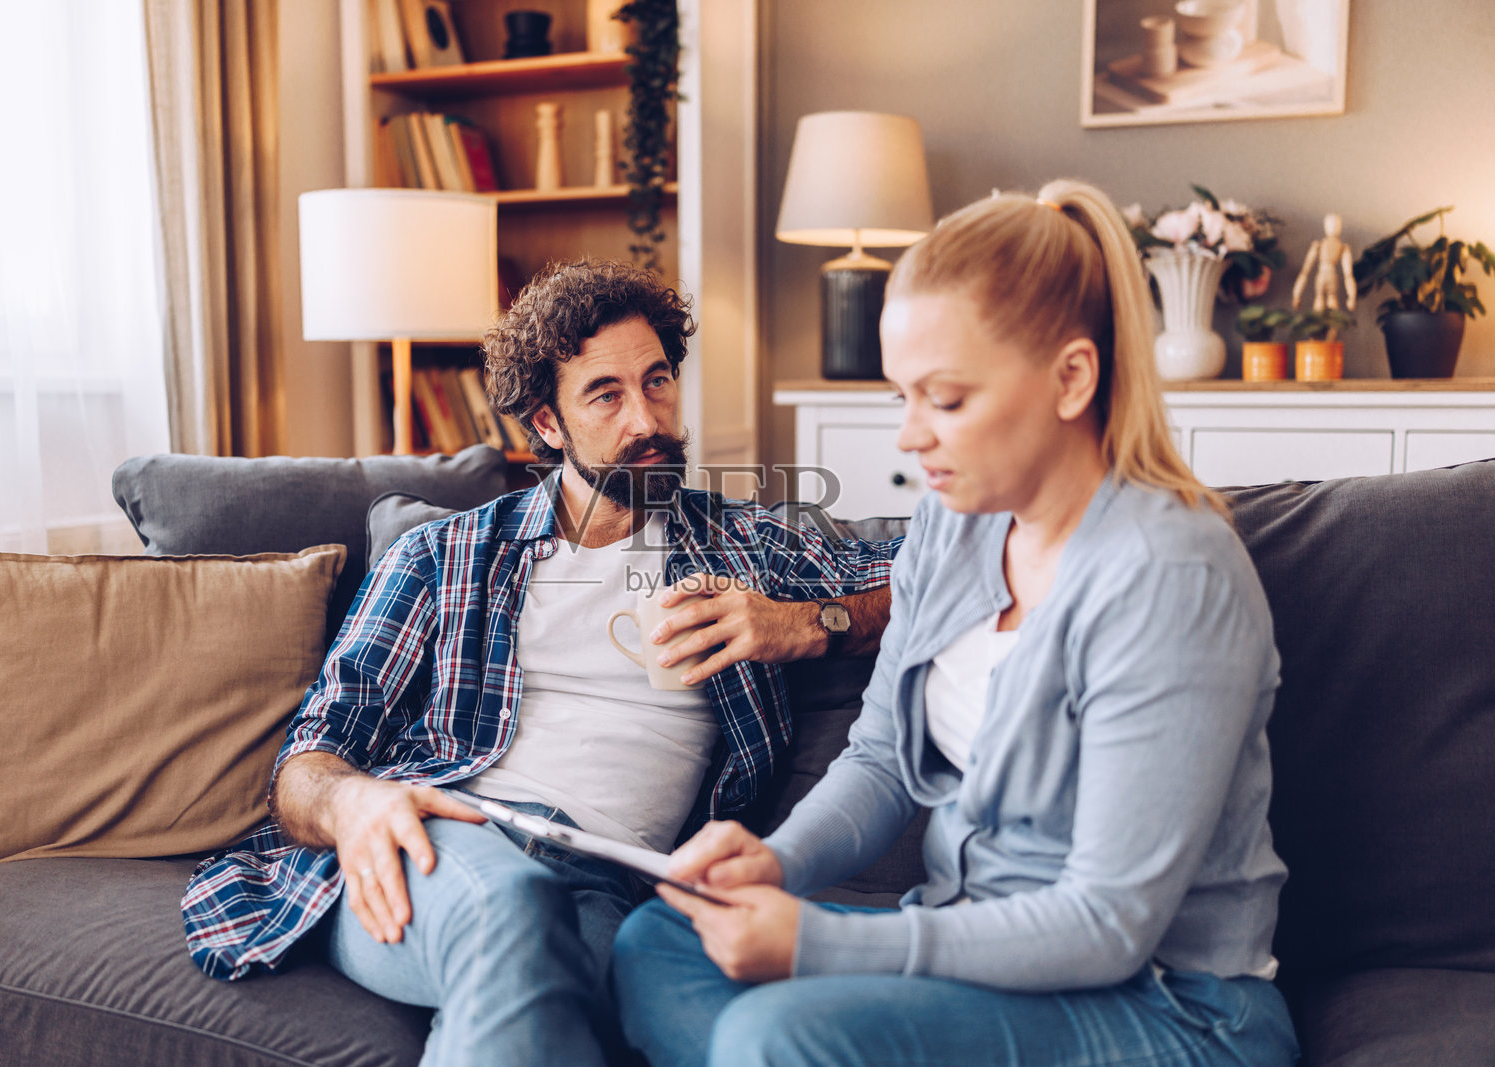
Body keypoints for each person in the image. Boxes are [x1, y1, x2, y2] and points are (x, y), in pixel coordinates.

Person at [612, 180, 1300, 1067]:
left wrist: (819, 945)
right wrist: (772, 867)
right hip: (969, 956)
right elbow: (883, 757)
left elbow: (1108, 923)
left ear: (1072, 378)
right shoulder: (952, 523)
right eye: (901, 396)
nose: (908, 435)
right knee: (656, 943)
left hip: (1166, 1005)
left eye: (945, 399)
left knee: (774, 1034)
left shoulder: (1170, 574)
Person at [178, 259, 900, 1067]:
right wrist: (351, 803)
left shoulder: (742, 545)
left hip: (607, 882)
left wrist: (809, 622)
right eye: (606, 395)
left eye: (657, 382)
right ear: (548, 425)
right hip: (441, 841)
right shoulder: (442, 557)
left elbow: (945, 566)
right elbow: (305, 758)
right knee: (515, 907)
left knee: (567, 998)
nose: (647, 419)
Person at [1292, 212, 1357, 313]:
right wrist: (1351, 297)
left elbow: (1305, 271)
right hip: (1330, 276)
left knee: (1322, 298)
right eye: (1333, 225)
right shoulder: (1341, 248)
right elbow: (1348, 274)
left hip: (1323, 275)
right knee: (1329, 298)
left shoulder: (1322, 245)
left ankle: (1329, 327)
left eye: (1336, 225)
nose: (1334, 227)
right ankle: (1328, 326)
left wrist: (1297, 295)